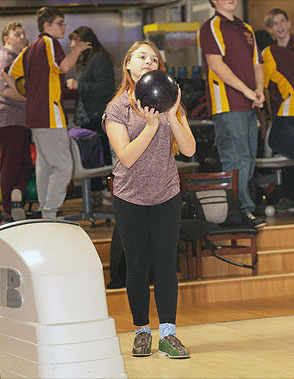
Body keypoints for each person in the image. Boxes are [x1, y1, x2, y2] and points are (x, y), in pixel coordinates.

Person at [103, 40, 196, 358]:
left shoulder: (169, 102)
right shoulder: (117, 108)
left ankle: (168, 334)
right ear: (128, 64)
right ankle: (142, 330)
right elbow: (126, 157)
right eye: (142, 57)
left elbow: (189, 149)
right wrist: (152, 125)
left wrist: (171, 115)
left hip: (167, 193)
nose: (148, 62)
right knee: (138, 266)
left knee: (167, 265)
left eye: (154, 59)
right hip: (130, 197)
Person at [2, 7, 91, 219]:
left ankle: (45, 210)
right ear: (47, 25)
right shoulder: (50, 43)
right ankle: (50, 212)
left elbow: (9, 74)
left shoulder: (30, 48)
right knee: (62, 166)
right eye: (60, 23)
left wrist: (29, 96)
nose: (63, 27)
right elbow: (63, 66)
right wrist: (78, 49)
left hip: (34, 116)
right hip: (50, 115)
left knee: (43, 165)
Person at [199, 0, 266, 227]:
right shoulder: (211, 26)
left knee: (247, 158)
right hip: (227, 104)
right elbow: (216, 64)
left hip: (248, 104)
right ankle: (239, 212)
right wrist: (247, 91)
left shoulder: (245, 28)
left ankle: (239, 210)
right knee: (236, 158)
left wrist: (259, 90)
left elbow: (258, 64)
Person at [66, 26, 115, 193]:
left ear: (86, 43)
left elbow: (105, 88)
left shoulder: (99, 59)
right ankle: (98, 195)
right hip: (89, 117)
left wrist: (79, 85)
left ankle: (111, 195)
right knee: (94, 157)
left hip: (98, 117)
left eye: (75, 41)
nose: (72, 45)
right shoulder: (88, 61)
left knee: (104, 158)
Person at [0, 22, 32, 223]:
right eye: (17, 34)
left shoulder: (17, 59)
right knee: (11, 163)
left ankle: (15, 199)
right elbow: (6, 91)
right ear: (6, 39)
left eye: (23, 33)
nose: (22, 37)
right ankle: (8, 209)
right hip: (10, 118)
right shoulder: (4, 59)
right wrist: (33, 99)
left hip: (21, 119)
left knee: (25, 164)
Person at [262, 8, 294, 211]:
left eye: (282, 21)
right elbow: (266, 89)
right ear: (270, 29)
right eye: (275, 23)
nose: (280, 26)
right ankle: (290, 196)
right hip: (282, 111)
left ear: (289, 23)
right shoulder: (269, 54)